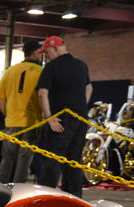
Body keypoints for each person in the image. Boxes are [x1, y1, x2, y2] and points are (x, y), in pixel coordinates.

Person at [36, 35, 92, 197]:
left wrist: (49, 118)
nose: (46, 56)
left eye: (47, 52)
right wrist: (81, 107)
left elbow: (42, 94)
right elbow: (89, 88)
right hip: (81, 118)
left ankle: (46, 198)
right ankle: (74, 199)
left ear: (54, 48)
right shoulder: (81, 65)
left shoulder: (52, 67)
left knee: (53, 159)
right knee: (74, 160)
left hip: (61, 119)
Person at [0, 39, 44, 184]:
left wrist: (7, 113)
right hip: (32, 122)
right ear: (35, 53)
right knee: (24, 159)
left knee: (8, 159)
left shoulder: (10, 70)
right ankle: (18, 190)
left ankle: (0, 189)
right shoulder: (41, 71)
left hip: (12, 122)